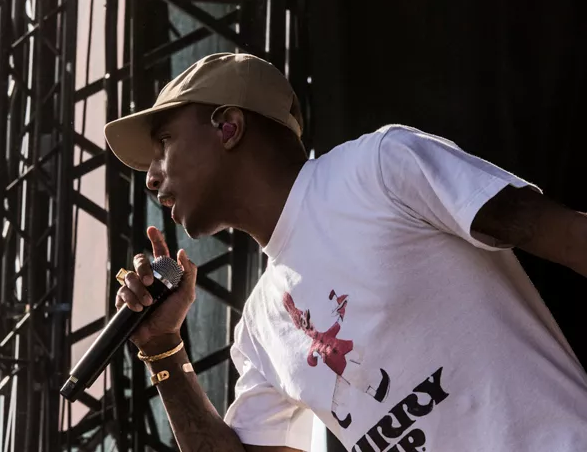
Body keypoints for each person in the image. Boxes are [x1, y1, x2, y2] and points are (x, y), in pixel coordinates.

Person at [102, 53, 587, 452]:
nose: (152, 178)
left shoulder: (376, 168)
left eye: (164, 142)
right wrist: (161, 348)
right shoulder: (259, 328)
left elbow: (568, 237)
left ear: (228, 127)